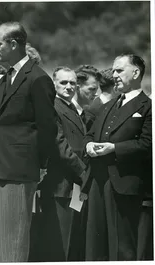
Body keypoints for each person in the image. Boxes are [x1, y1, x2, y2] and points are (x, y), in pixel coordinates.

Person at [0, 22, 58, 262]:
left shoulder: (38, 79)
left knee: (11, 242)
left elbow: (47, 127)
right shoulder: (5, 80)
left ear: (14, 44)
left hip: (19, 170)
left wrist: (40, 164)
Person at [84, 54, 152, 261]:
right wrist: (87, 145)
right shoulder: (108, 105)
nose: (114, 75)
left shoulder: (147, 106)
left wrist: (114, 148)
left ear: (136, 72)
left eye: (119, 70)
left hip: (125, 185)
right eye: (113, 71)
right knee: (96, 245)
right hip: (98, 182)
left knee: (121, 245)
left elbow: (148, 144)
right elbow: (90, 134)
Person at [37, 67, 89, 261]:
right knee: (59, 247)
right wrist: (85, 173)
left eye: (73, 83)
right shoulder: (52, 107)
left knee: (72, 245)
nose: (69, 87)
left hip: (73, 187)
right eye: (63, 83)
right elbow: (60, 147)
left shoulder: (72, 107)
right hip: (60, 186)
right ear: (54, 84)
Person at [73, 65, 101, 131]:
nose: (96, 94)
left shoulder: (88, 117)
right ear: (77, 87)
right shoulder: (61, 112)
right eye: (92, 89)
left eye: (96, 90)